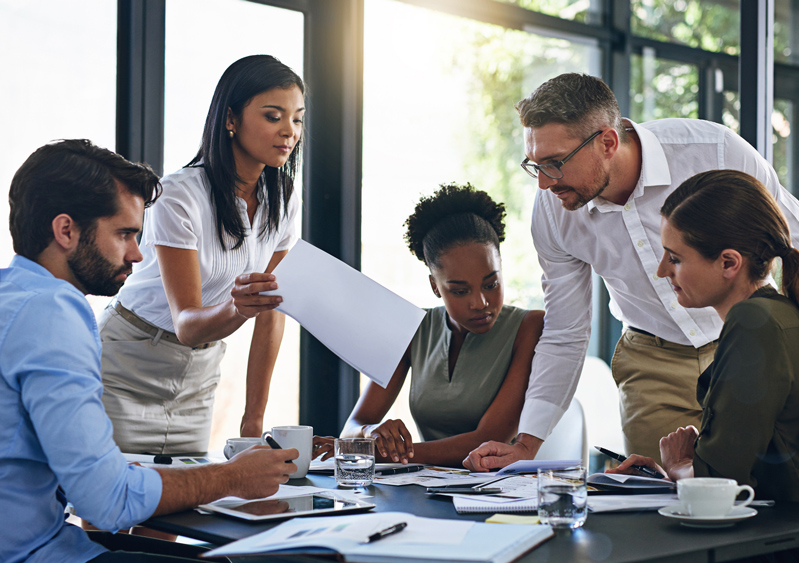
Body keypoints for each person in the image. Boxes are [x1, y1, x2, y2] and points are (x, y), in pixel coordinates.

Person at [464, 73, 799, 470]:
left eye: (554, 163)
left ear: (606, 141)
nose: (543, 182)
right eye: (534, 165)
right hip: (652, 363)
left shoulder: (714, 153)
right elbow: (566, 330)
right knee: (664, 512)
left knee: (762, 504)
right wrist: (527, 443)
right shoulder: (554, 210)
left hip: (749, 349)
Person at [1, 139, 298, 563]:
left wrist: (113, 470)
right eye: (124, 234)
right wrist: (232, 477)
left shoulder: (12, 295)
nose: (137, 254)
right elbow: (106, 501)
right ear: (66, 231)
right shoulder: (54, 314)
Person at [611, 169, 799, 563]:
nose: (661, 271)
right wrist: (675, 470)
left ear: (728, 263)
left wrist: (678, 467)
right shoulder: (785, 313)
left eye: (675, 258)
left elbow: (721, 483)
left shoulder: (754, 324)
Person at [99, 55, 304, 454]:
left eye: (297, 119)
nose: (289, 131)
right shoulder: (178, 195)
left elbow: (271, 311)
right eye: (273, 116)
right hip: (128, 363)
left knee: (189, 490)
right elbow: (187, 324)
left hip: (200, 373)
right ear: (230, 119)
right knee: (113, 492)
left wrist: (253, 418)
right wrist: (238, 308)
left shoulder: (284, 197)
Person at [313, 184, 544, 467]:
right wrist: (369, 432)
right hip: (425, 485)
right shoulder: (412, 328)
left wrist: (370, 451)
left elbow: (488, 440)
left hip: (504, 487)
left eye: (491, 284)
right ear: (435, 286)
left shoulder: (529, 327)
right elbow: (353, 425)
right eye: (460, 291)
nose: (480, 302)